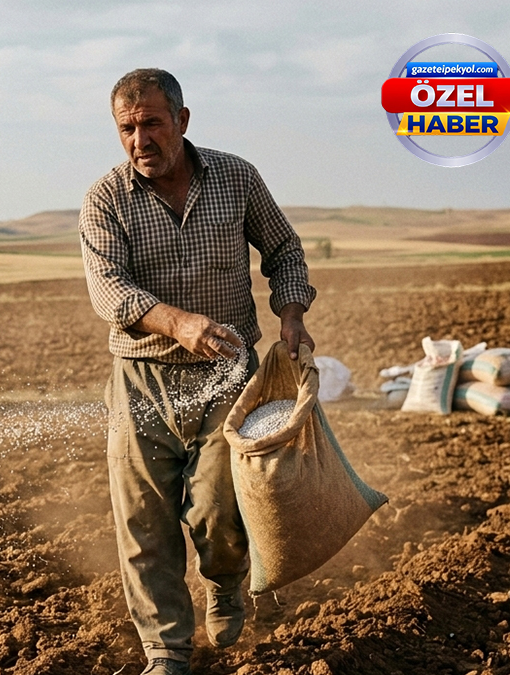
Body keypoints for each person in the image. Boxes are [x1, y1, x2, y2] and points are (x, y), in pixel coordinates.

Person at [78, 68, 317, 675]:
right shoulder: (105, 198)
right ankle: (166, 651)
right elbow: (109, 290)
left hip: (227, 378)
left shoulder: (236, 178)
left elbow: (284, 249)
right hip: (141, 382)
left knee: (218, 507)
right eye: (127, 129)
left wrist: (290, 314)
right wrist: (178, 323)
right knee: (143, 524)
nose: (140, 140)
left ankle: (226, 580)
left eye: (152, 124)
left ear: (182, 121)